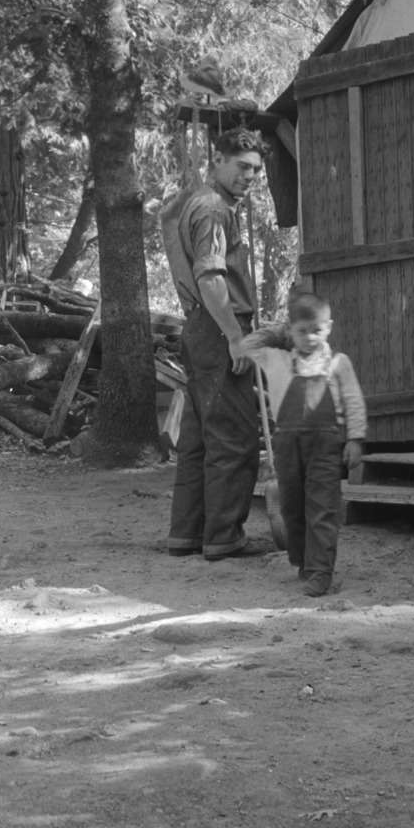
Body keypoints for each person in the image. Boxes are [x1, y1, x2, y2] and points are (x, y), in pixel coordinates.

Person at [157, 127, 268, 559]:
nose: (249, 177)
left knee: (198, 440)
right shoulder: (213, 208)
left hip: (200, 329)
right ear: (217, 160)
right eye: (241, 166)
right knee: (235, 438)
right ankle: (224, 537)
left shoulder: (196, 202)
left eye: (255, 170)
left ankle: (186, 535)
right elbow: (210, 278)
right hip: (219, 328)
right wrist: (236, 339)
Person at [242, 292, 365, 597]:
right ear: (291, 330)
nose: (310, 338)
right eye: (302, 331)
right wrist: (282, 332)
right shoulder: (277, 360)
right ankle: (303, 561)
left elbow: (353, 401)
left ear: (329, 328)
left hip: (325, 446)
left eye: (317, 330)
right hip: (286, 445)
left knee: (322, 507)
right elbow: (247, 345)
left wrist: (355, 439)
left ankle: (322, 570)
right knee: (292, 507)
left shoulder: (338, 363)